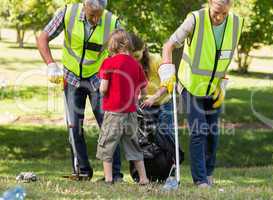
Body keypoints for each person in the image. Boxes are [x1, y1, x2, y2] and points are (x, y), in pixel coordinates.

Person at [37, 0, 123, 181]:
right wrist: (51, 64)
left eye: (99, 14)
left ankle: (115, 175)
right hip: (72, 77)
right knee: (74, 126)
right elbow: (43, 37)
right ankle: (83, 171)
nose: (95, 19)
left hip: (99, 78)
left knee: (108, 126)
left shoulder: (112, 22)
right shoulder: (67, 13)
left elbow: (123, 53)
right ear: (84, 5)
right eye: (92, 14)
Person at [162, 0, 244, 187]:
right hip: (190, 85)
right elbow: (169, 45)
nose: (219, 18)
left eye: (223, 13)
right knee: (199, 131)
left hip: (213, 87)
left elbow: (224, 56)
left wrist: (222, 82)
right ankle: (200, 180)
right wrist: (166, 69)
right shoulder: (195, 19)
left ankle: (208, 173)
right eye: (216, 13)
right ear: (209, 4)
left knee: (213, 133)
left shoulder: (236, 23)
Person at [96, 29, 149, 185]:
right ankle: (144, 178)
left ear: (113, 45)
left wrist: (102, 91)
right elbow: (143, 91)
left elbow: (103, 88)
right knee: (133, 146)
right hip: (131, 113)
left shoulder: (108, 63)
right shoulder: (136, 65)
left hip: (113, 112)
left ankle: (109, 179)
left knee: (107, 145)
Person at [130, 33, 175, 141]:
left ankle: (171, 157)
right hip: (145, 107)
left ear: (143, 49)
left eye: (136, 56)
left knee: (166, 136)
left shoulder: (156, 59)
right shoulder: (130, 65)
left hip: (163, 103)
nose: (134, 60)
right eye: (131, 57)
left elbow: (168, 82)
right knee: (148, 140)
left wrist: (154, 97)